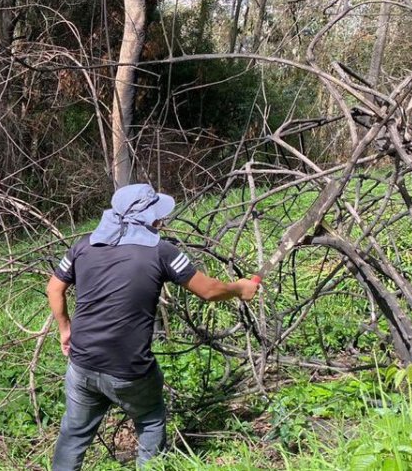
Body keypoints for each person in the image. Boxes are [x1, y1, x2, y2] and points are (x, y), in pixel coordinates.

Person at [47, 183, 260, 469]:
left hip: (82, 363)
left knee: (73, 434)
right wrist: (239, 288)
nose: (161, 220)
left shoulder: (83, 247)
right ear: (146, 217)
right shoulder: (161, 252)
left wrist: (65, 329)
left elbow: (54, 288)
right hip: (129, 370)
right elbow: (209, 291)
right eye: (157, 214)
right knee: (150, 419)